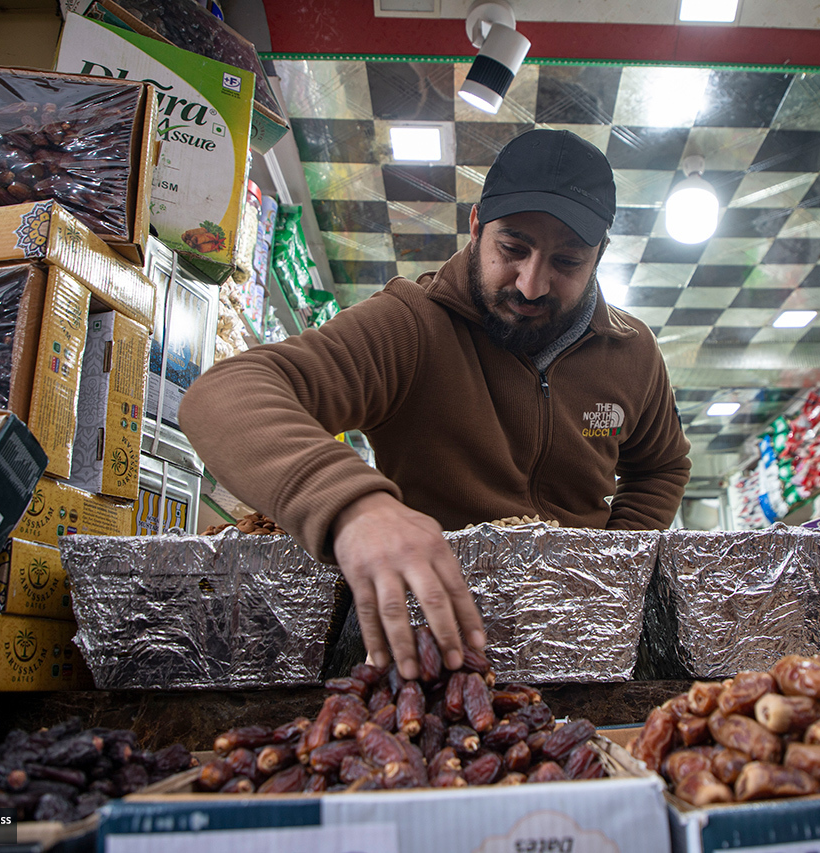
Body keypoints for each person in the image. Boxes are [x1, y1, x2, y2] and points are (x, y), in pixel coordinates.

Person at [179, 129, 691, 680]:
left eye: (567, 262)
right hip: (432, 651)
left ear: (599, 257)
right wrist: (355, 506)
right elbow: (225, 394)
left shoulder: (632, 352)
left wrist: (613, 567)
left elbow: (661, 466)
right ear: (476, 227)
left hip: (582, 650)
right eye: (512, 249)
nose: (532, 285)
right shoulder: (411, 326)